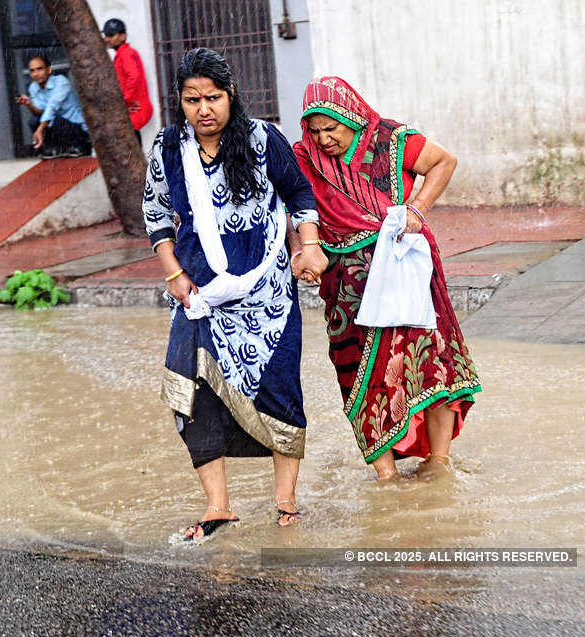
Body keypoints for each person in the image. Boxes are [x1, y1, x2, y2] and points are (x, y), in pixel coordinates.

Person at [142, 48, 320, 541]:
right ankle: (218, 506)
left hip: (269, 298)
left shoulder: (263, 139)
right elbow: (155, 213)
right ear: (179, 101)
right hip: (200, 295)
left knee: (280, 392)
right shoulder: (168, 148)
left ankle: (285, 499)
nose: (204, 109)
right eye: (192, 99)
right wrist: (173, 273)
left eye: (213, 98)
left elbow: (299, 195)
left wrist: (308, 247)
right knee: (191, 395)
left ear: (231, 96)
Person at [292, 76, 481, 482]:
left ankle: (440, 462)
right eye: (315, 130)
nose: (324, 140)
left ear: (352, 118)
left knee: (431, 362)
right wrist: (304, 250)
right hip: (347, 284)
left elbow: (443, 162)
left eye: (332, 129)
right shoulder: (304, 158)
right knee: (359, 371)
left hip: (407, 266)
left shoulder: (389, 140)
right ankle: (386, 477)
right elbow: (299, 206)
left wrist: (417, 209)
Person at [16, 54, 92, 159]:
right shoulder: (33, 87)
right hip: (57, 126)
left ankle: (78, 146)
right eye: (32, 71)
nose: (36, 74)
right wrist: (29, 104)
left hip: (75, 127)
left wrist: (40, 129)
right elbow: (40, 112)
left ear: (49, 70)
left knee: (54, 120)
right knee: (34, 121)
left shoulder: (61, 82)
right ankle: (53, 148)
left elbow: (52, 107)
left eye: (39, 69)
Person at [102, 18, 153, 146]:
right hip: (133, 110)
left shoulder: (126, 54)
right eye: (106, 35)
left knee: (131, 146)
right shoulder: (123, 54)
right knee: (131, 145)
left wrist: (126, 100)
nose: (107, 39)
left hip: (136, 109)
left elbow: (134, 76)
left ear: (123, 36)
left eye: (111, 35)